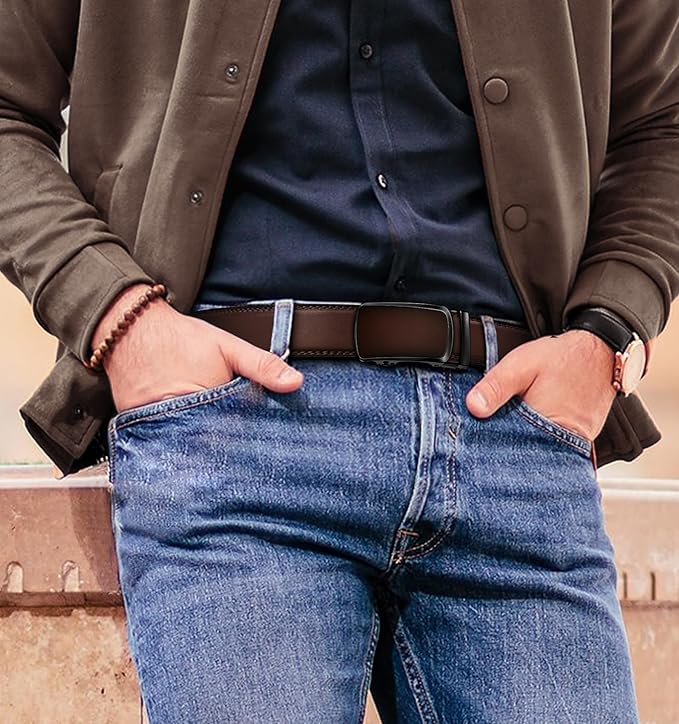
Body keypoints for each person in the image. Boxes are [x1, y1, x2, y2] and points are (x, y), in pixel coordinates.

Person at [1, 1, 678, 721]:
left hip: (516, 438)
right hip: (234, 437)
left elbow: (661, 126)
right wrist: (120, 316)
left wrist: (606, 330)